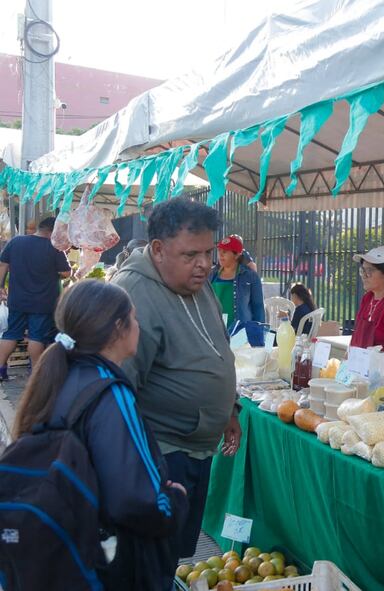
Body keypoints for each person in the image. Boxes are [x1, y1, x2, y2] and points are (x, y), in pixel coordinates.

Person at [11, 280, 187, 590]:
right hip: (102, 562)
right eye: (133, 318)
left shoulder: (61, 377)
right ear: (118, 328)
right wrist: (173, 501)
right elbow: (133, 499)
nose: (138, 325)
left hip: (61, 551)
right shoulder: (110, 392)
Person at [112, 199, 240, 563]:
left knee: (174, 553)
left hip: (196, 449)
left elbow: (218, 349)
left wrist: (229, 409)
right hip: (162, 453)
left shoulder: (199, 285)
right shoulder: (134, 294)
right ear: (158, 249)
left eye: (208, 251)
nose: (204, 264)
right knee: (152, 558)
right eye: (190, 255)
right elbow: (119, 390)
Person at [0, 216, 71, 379]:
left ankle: (1, 369)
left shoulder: (16, 242)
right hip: (43, 302)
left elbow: (2, 264)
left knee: (11, 333)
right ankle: (36, 374)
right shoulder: (54, 247)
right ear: (52, 231)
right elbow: (66, 272)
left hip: (17, 299)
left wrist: (0, 286)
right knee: (36, 336)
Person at [209, 234, 265, 336]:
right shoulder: (210, 274)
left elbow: (258, 307)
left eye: (225, 252)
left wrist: (258, 334)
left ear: (237, 255)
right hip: (213, 333)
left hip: (240, 335)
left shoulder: (250, 277)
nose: (220, 255)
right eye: (219, 251)